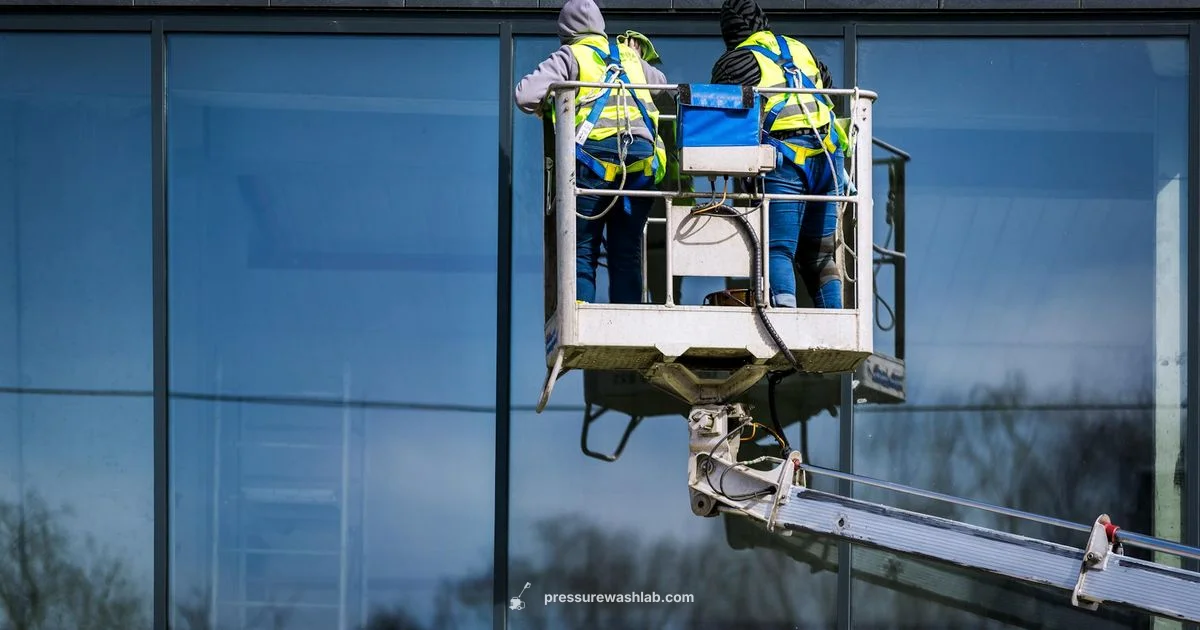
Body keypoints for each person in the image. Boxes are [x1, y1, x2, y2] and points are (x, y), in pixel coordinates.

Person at [514, 0, 669, 305]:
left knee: (582, 250)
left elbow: (524, 96)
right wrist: (635, 59)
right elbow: (662, 86)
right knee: (627, 254)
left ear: (567, 34)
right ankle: (628, 322)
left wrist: (554, 97)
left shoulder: (571, 55)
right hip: (639, 165)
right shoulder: (628, 56)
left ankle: (581, 317)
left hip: (592, 164)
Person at [711, 0, 849, 309]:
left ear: (730, 33)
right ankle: (832, 323)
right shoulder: (799, 50)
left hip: (784, 159)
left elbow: (721, 119)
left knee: (777, 249)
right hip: (828, 157)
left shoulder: (736, 60)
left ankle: (784, 324)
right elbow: (827, 90)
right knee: (821, 255)